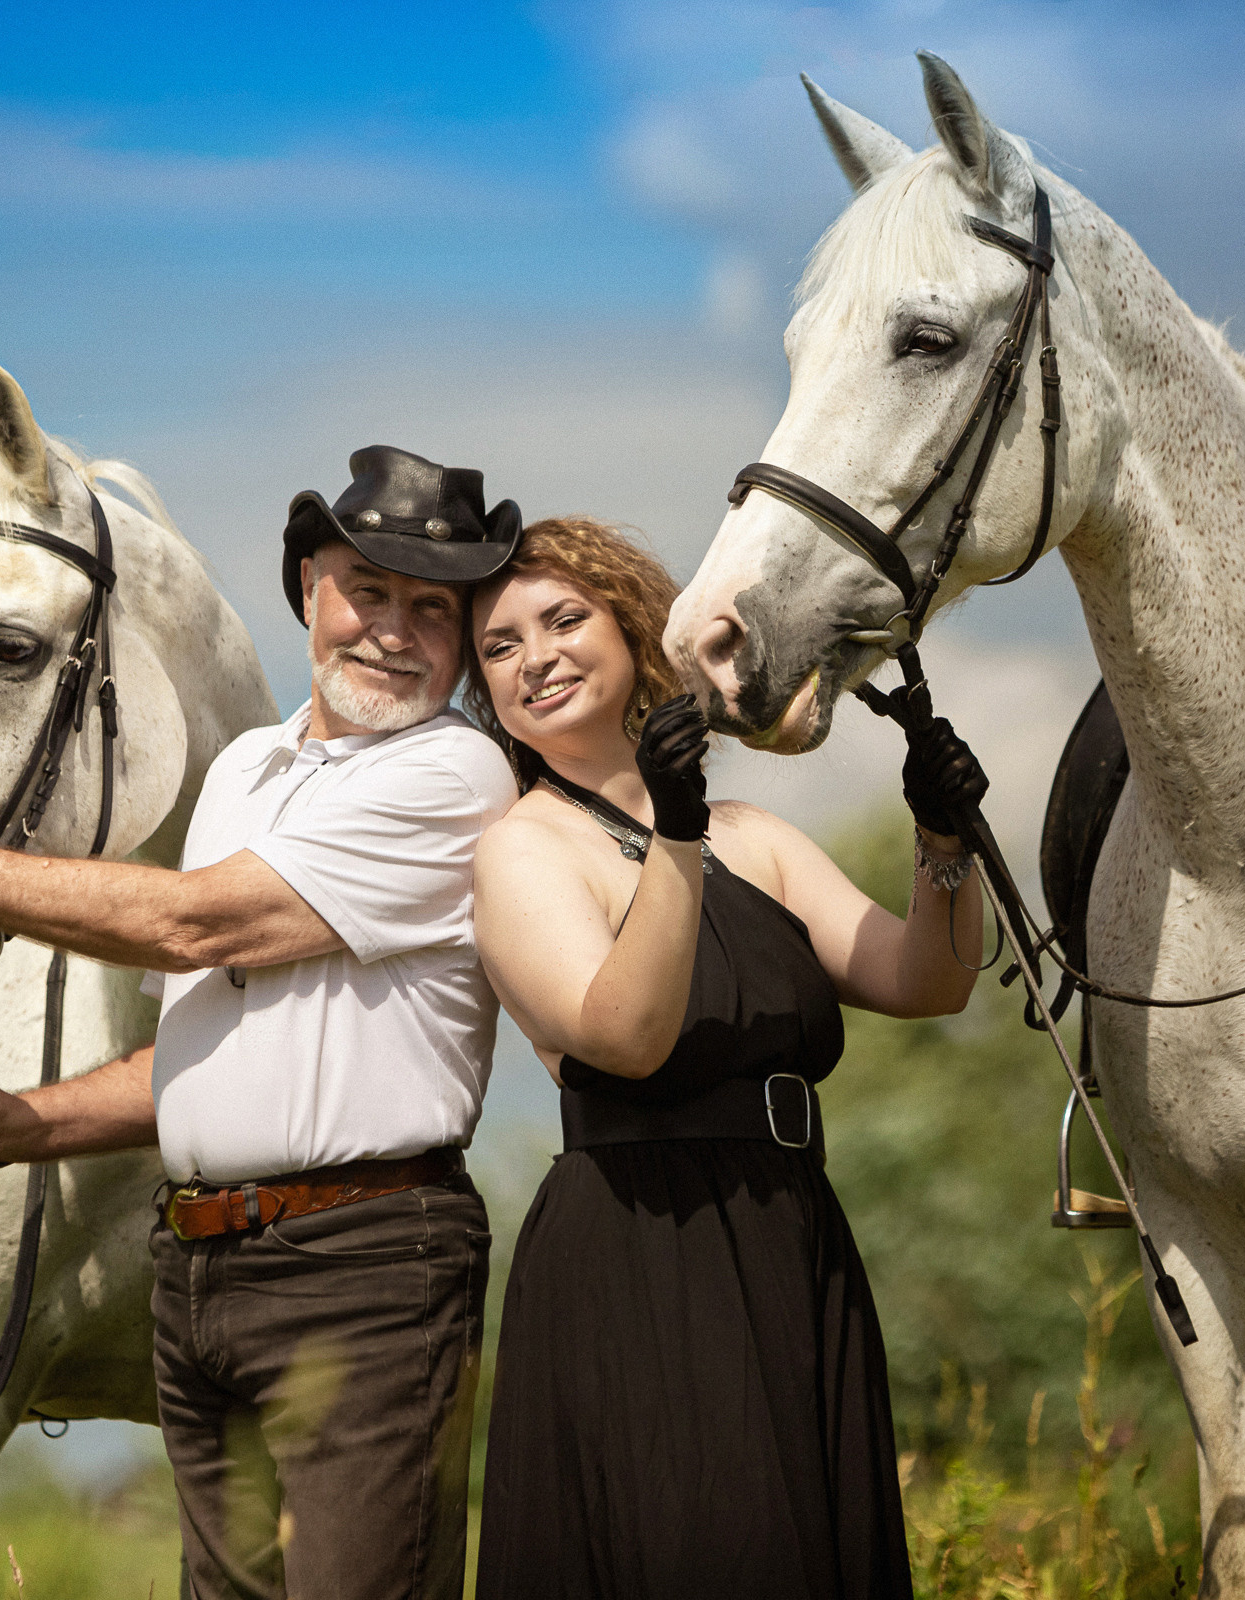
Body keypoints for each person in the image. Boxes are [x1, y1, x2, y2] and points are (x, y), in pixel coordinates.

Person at [0, 446, 524, 1600]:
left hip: (364, 1265)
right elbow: (208, 1043)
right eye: (366, 591)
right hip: (206, 1270)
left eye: (431, 607)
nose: (391, 629)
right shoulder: (243, 771)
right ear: (307, 592)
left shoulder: (454, 772)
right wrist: (27, 1123)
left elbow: (200, 924)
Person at [462, 517, 987, 1600]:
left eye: (565, 619)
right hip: (644, 1244)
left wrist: (944, 844)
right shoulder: (523, 850)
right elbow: (624, 1033)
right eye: (501, 648)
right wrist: (678, 841)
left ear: (633, 628)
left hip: (790, 1227)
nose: (537, 657)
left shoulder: (757, 833)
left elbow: (926, 980)